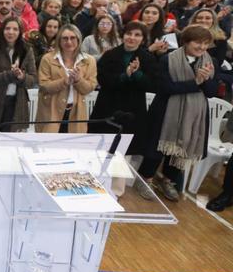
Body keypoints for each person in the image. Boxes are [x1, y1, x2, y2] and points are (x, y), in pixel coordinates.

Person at [132, 25, 218, 202]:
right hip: (165, 111)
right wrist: (196, 82)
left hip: (194, 115)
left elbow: (211, 92)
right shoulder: (167, 59)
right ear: (186, 42)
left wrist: (206, 81)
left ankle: (167, 180)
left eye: (205, 43)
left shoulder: (210, 62)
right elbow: (165, 88)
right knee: (156, 148)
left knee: (182, 146)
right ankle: (145, 179)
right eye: (197, 43)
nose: (202, 47)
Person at [88, 21, 156, 156]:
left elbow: (151, 84)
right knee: (102, 148)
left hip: (134, 109)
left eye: (137, 35)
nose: (132, 37)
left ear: (143, 39)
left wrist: (137, 74)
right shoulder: (110, 55)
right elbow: (102, 79)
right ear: (123, 35)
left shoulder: (148, 58)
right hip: (108, 105)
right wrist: (125, 75)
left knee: (128, 151)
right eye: (129, 33)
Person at [35, 24, 98, 133]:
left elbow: (89, 88)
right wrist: (64, 81)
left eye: (72, 38)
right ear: (59, 40)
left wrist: (79, 80)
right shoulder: (48, 59)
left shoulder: (89, 60)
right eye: (65, 38)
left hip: (76, 113)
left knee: (73, 147)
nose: (69, 42)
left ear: (79, 39)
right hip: (51, 111)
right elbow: (44, 86)